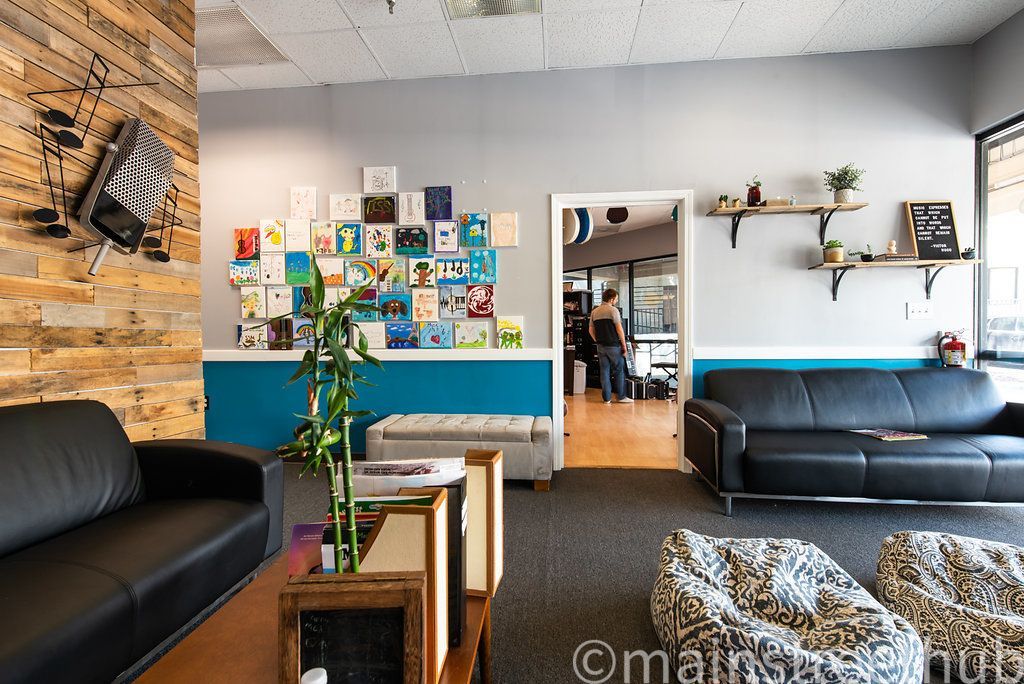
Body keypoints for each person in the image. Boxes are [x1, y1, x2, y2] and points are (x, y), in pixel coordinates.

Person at [589, 288, 633, 404]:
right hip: (613, 346)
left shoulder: (595, 312)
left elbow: (591, 329)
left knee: (604, 372)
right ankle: (622, 397)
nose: (616, 301)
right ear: (612, 299)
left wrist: (597, 340)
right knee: (619, 370)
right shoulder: (613, 311)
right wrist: (624, 346)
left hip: (601, 346)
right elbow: (619, 329)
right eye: (616, 299)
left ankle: (607, 398)